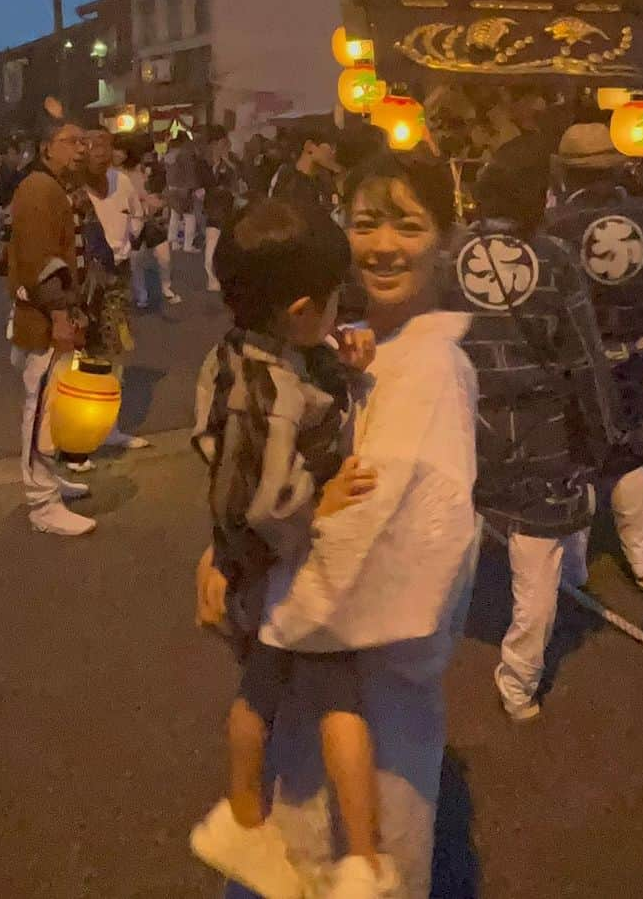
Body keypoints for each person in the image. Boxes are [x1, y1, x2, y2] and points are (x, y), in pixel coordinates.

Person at [212, 152, 478, 899]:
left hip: (367, 679)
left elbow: (396, 545)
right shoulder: (337, 345)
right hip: (315, 672)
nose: (384, 244)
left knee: (358, 860)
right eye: (366, 222)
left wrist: (252, 577)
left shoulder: (432, 372)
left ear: (445, 236)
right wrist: (227, 545)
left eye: (409, 224)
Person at [190, 199, 387, 899]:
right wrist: (318, 503)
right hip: (280, 564)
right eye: (338, 302)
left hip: (245, 561)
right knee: (341, 701)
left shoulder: (236, 356)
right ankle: (363, 862)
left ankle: (243, 819)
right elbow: (264, 499)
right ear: (303, 309)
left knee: (259, 691)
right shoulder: (272, 391)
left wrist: (341, 352)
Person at [449, 131, 621, 721]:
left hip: (462, 422)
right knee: (536, 561)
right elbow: (586, 355)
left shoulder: (446, 254)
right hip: (542, 427)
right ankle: (518, 683)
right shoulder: (555, 259)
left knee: (453, 541)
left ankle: (433, 641)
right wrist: (602, 432)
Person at [545, 122, 643, 592]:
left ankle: (574, 566)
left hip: (579, 355)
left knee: (578, 451)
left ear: (565, 172)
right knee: (625, 447)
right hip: (634, 347)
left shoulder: (556, 224)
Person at [6, 119, 95, 537]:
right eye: (71, 142)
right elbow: (42, 260)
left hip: (49, 314)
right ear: (47, 148)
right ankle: (42, 504)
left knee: (50, 409)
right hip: (43, 319)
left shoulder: (51, 187)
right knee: (39, 410)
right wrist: (60, 314)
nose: (81, 148)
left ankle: (48, 481)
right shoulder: (40, 189)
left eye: (84, 141)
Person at [63, 128, 151, 473]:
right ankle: (72, 438)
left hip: (118, 275)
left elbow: (137, 218)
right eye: (90, 145)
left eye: (105, 146)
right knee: (79, 357)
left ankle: (109, 427)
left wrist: (127, 242)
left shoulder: (123, 183)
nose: (99, 152)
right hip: (83, 280)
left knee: (115, 353)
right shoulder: (70, 188)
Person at [121, 143, 180, 307]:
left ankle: (165, 287)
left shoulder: (149, 171)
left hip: (148, 220)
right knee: (136, 260)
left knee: (164, 256)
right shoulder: (122, 175)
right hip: (133, 220)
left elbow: (156, 195)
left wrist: (156, 202)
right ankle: (142, 295)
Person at [202, 127, 243, 292]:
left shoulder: (231, 160)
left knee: (226, 245)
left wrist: (227, 162)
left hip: (228, 207)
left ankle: (222, 277)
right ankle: (212, 279)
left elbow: (239, 177)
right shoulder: (205, 161)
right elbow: (203, 180)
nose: (223, 145)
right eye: (220, 142)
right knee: (211, 244)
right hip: (214, 207)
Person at [269, 129, 340, 216]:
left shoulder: (323, 178)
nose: (333, 153)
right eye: (331, 147)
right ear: (309, 146)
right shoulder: (287, 176)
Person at [164, 132, 202, 253]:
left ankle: (173, 242)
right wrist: (194, 187)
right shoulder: (184, 155)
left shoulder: (168, 156)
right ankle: (188, 245)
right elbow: (190, 173)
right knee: (190, 217)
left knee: (175, 215)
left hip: (171, 188)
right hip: (183, 188)